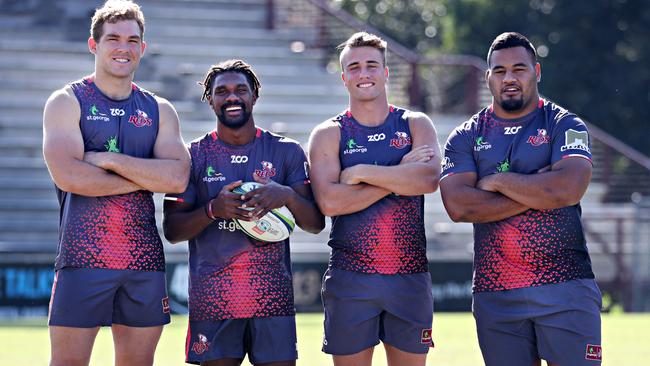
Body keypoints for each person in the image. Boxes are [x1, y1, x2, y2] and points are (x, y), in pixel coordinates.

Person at [439, 32, 602, 366]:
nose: (509, 78)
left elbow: (567, 189)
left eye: (519, 69)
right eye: (499, 71)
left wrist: (496, 181)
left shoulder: (564, 124)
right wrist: (536, 190)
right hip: (496, 294)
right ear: (488, 78)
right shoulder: (466, 135)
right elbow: (458, 206)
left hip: (566, 286)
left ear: (537, 72)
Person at [42, 1, 191, 365]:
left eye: (132, 39)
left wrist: (110, 160)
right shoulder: (67, 102)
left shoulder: (159, 109)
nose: (123, 47)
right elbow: (71, 176)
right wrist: (146, 177)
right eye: (112, 39)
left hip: (144, 262)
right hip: (83, 258)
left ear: (143, 47)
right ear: (94, 45)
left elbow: (178, 176)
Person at [162, 59, 325, 366]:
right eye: (221, 91)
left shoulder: (286, 151)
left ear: (254, 96)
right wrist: (213, 210)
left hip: (272, 301)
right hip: (214, 302)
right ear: (210, 99)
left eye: (241, 89)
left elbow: (315, 223)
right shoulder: (191, 156)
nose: (232, 97)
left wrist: (285, 195)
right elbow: (172, 230)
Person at [308, 32, 441, 366]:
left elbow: (427, 179)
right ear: (344, 77)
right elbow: (331, 203)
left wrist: (361, 172)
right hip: (351, 277)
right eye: (354, 67)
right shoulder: (328, 133)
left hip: (409, 276)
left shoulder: (414, 123)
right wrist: (399, 174)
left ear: (385, 72)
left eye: (371, 65)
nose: (363, 73)